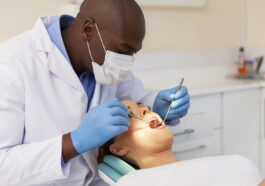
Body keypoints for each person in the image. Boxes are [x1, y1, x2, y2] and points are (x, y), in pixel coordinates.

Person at [0, 0, 190, 185]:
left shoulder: (105, 63)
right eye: (123, 51)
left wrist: (157, 106)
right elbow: (3, 167)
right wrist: (74, 142)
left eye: (133, 53)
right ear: (88, 30)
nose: (127, 61)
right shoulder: (10, 64)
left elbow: (137, 101)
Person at [98, 101, 262, 186]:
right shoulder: (134, 182)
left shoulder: (194, 169)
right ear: (119, 149)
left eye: (144, 106)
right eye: (129, 115)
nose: (145, 110)